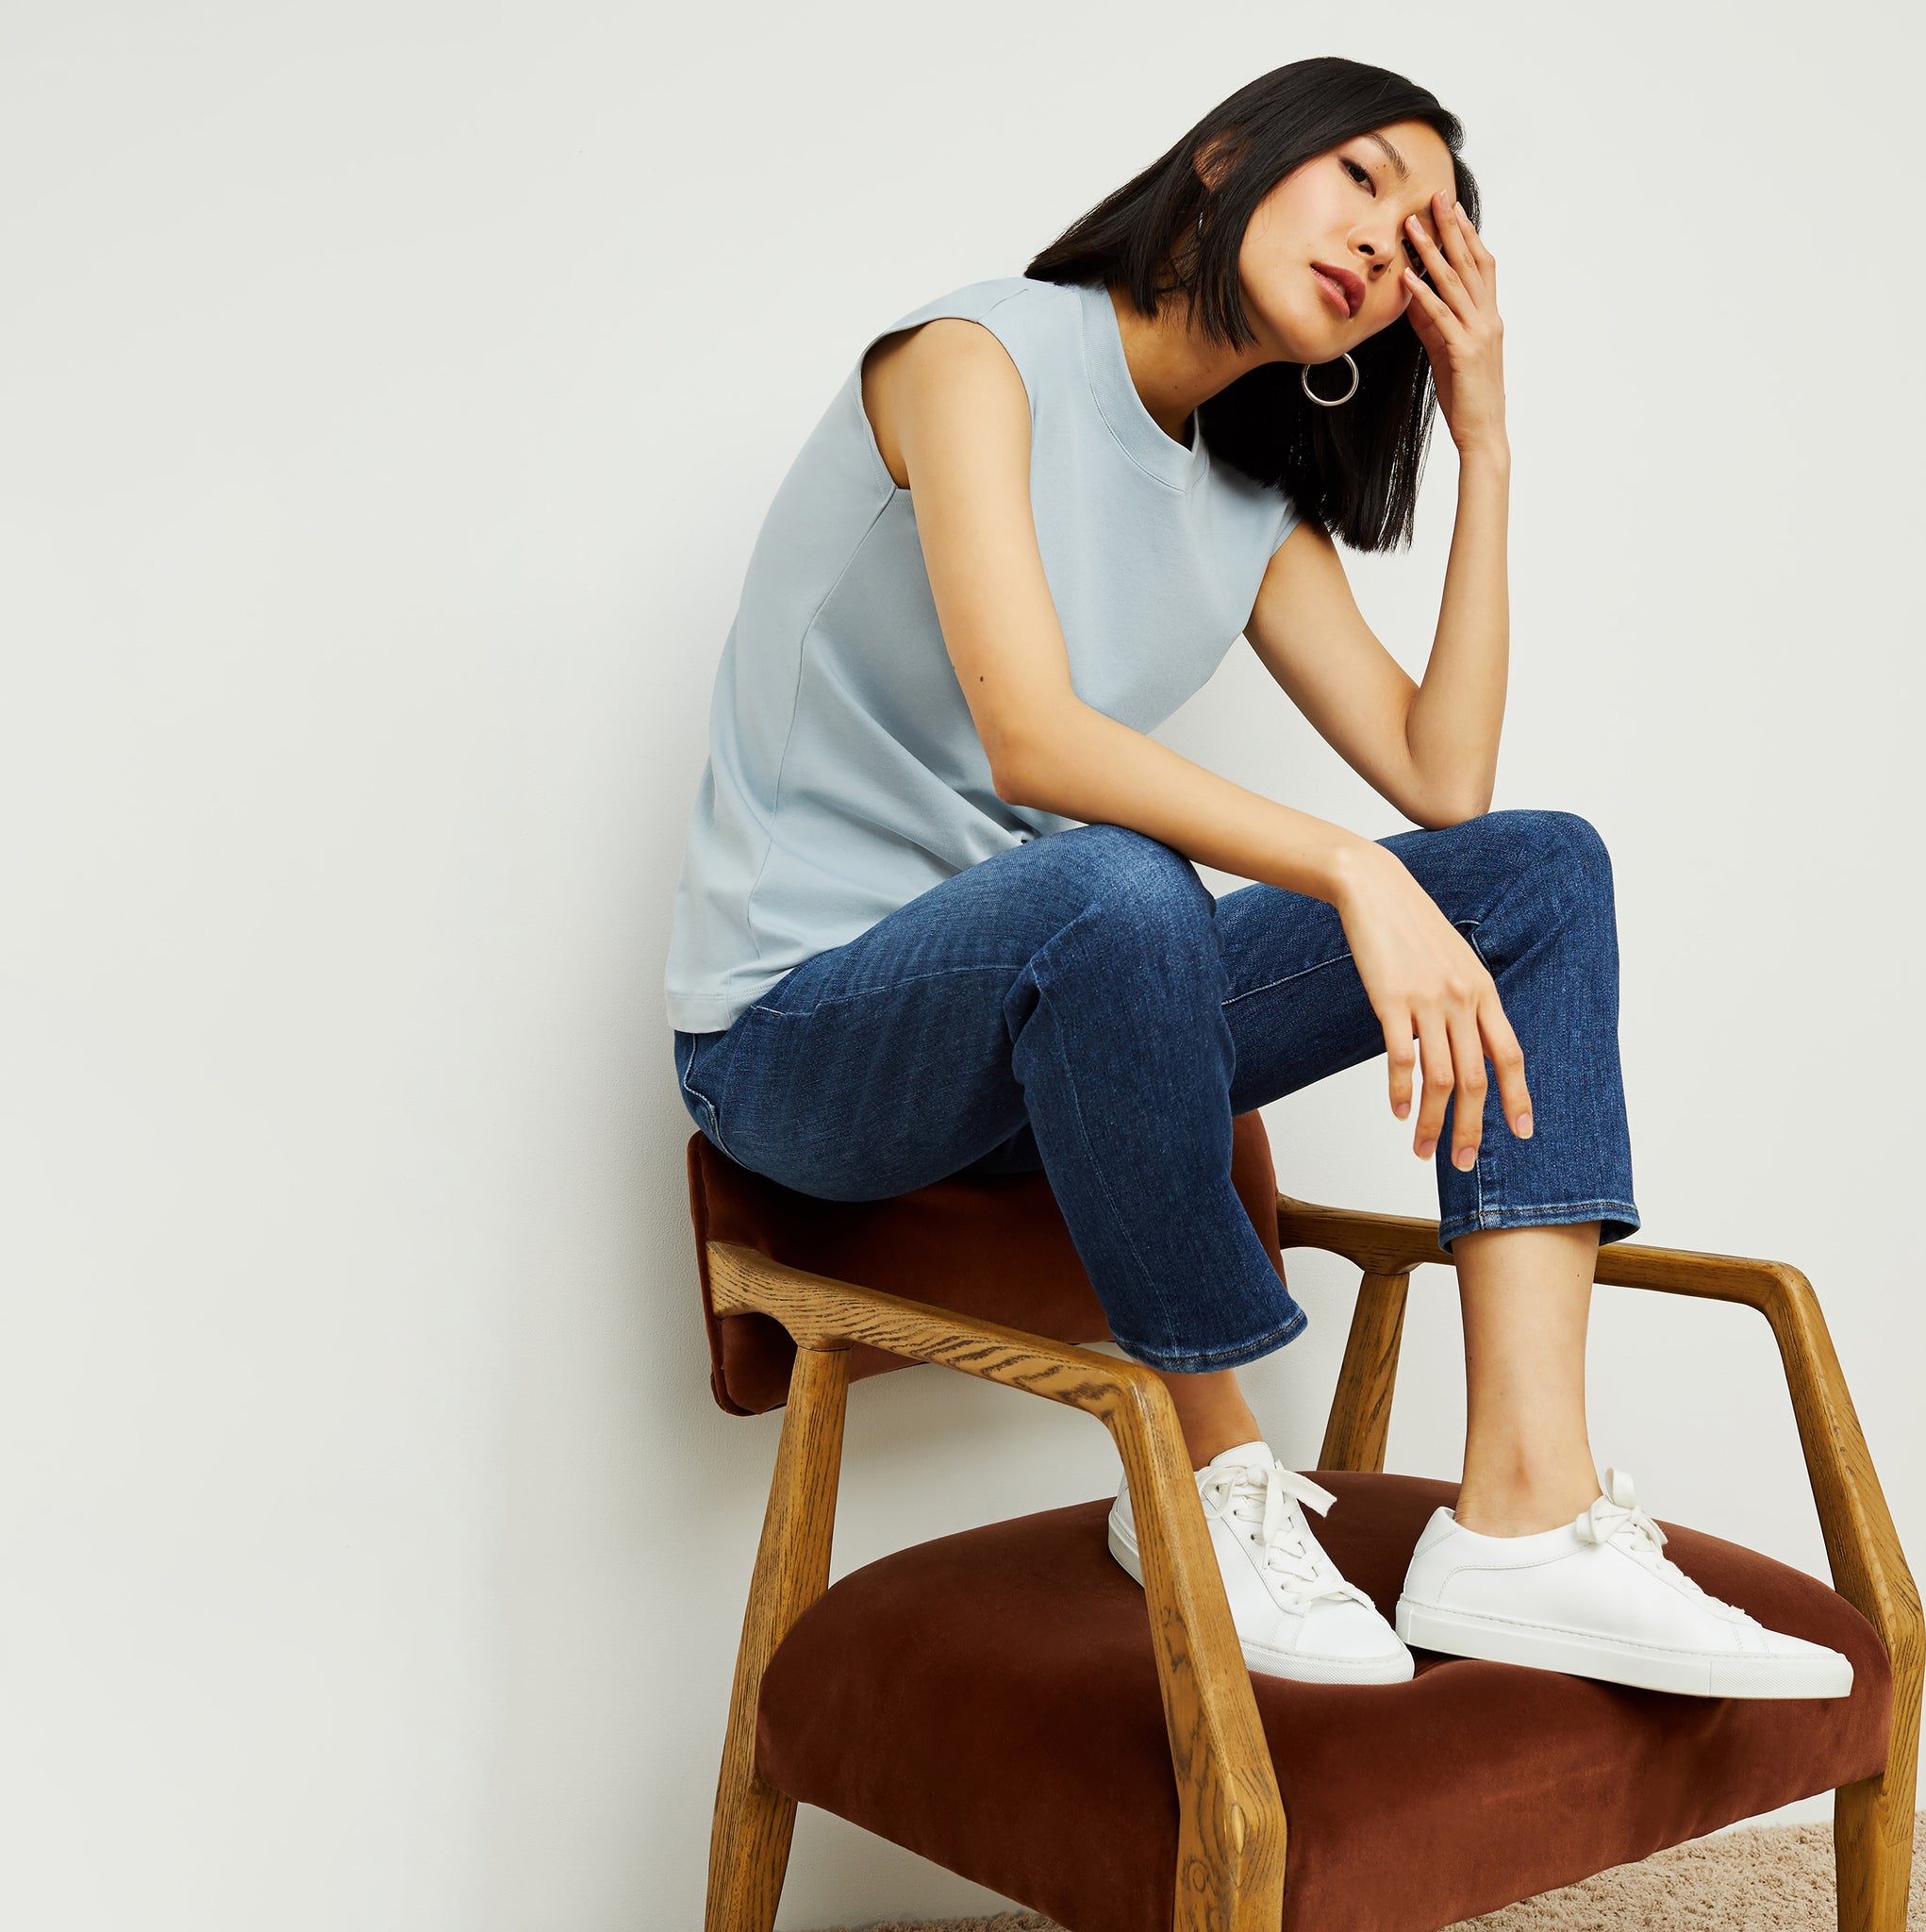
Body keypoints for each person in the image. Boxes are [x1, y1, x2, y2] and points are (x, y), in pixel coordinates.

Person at [667, 56, 1851, 1700]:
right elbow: (1033, 738)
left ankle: (1524, 1510)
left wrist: (1486, 436)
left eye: (1425, 232)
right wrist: (1350, 876)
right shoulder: (975, 356)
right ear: (1226, 160)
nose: (1383, 240)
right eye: (1360, 176)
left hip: (1065, 1029)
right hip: (802, 1047)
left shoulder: (1244, 508)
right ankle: (1207, 1475)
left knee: (1539, 876)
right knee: (1116, 872)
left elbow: (1447, 780)